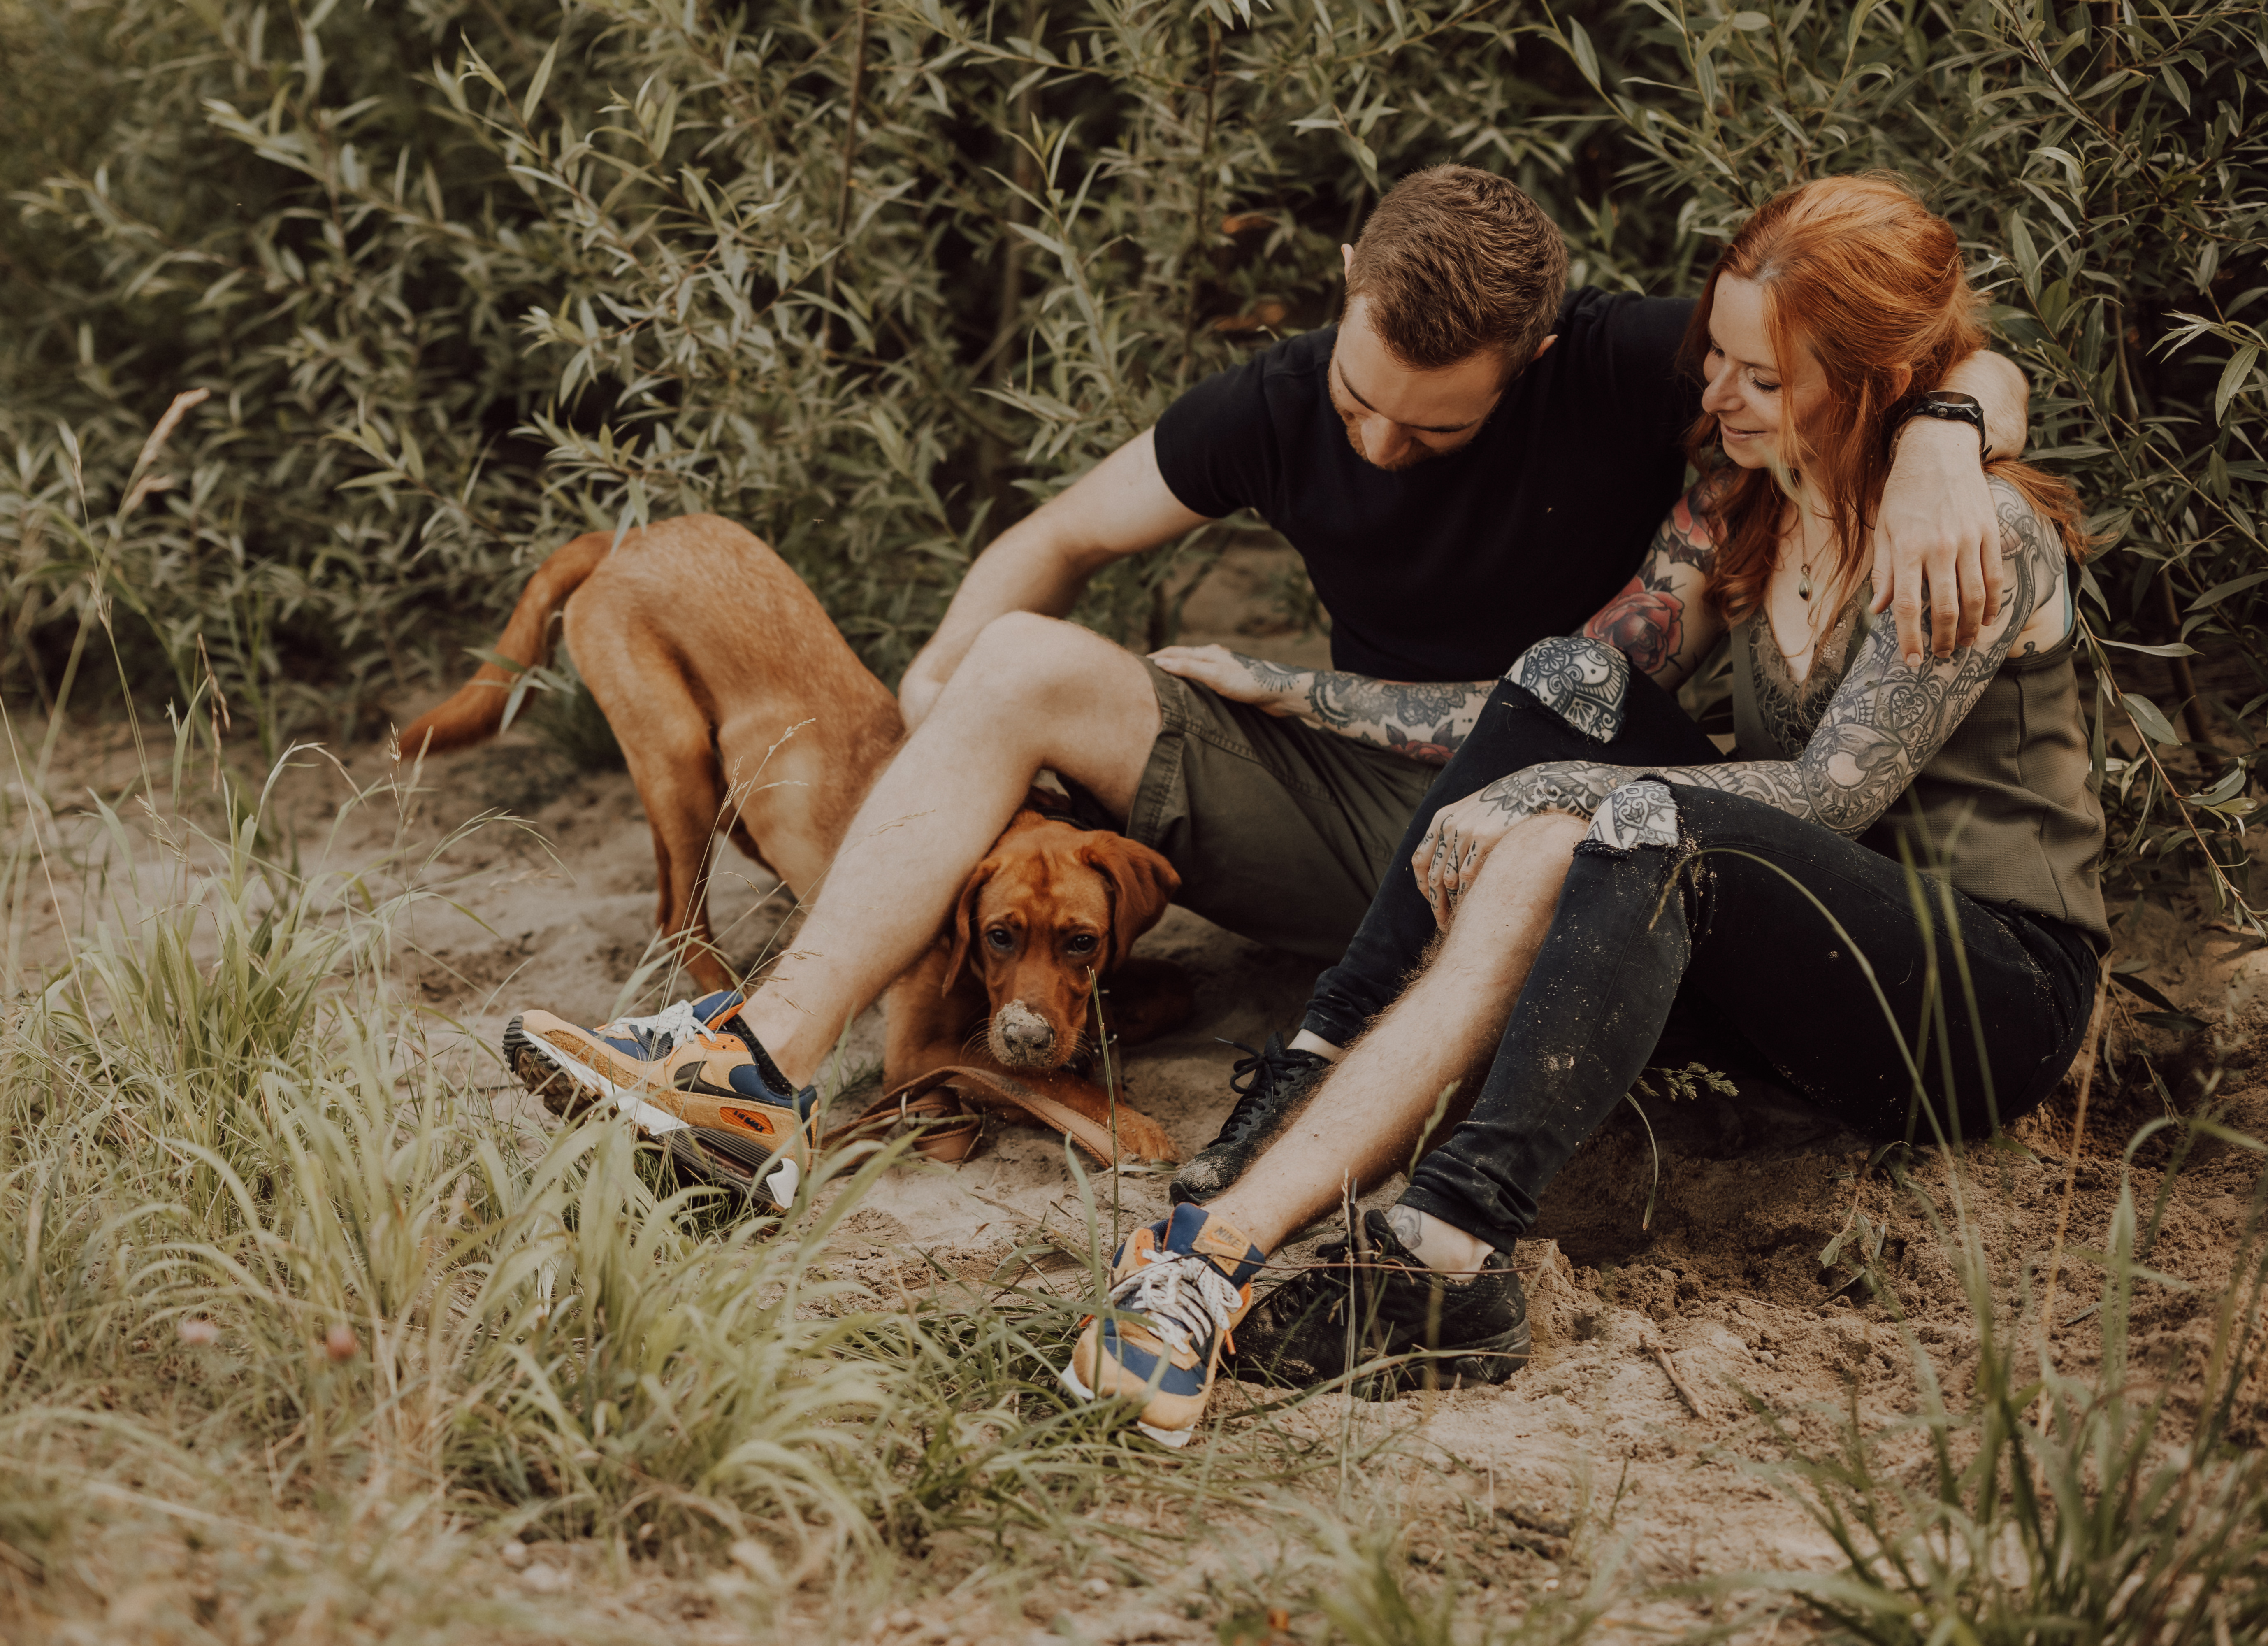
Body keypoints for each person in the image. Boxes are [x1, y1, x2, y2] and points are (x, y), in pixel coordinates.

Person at [501, 165, 2029, 1214]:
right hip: (1363, 791)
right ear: (1349, 286)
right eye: (1363, 402)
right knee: (1022, 660)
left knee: (1563, 696)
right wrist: (930, 717)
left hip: (1553, 809)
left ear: (1537, 354)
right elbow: (1053, 539)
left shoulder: (1652, 364)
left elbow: (1923, 345)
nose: (1373, 446)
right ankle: (751, 1062)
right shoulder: (1282, 399)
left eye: (1431, 433)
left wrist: (1951, 433)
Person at [1062, 173, 2106, 1449]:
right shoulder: (1759, 501)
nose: (1715, 397)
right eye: (1715, 362)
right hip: (1807, 973)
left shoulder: (1969, 529)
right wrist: (1290, 691)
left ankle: (1453, 1247)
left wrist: (1555, 793)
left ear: (1878, 383)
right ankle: (1297, 1096)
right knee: (1573, 674)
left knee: (1635, 819)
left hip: (1981, 995)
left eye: (1761, 381)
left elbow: (1838, 792)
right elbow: (1554, 701)